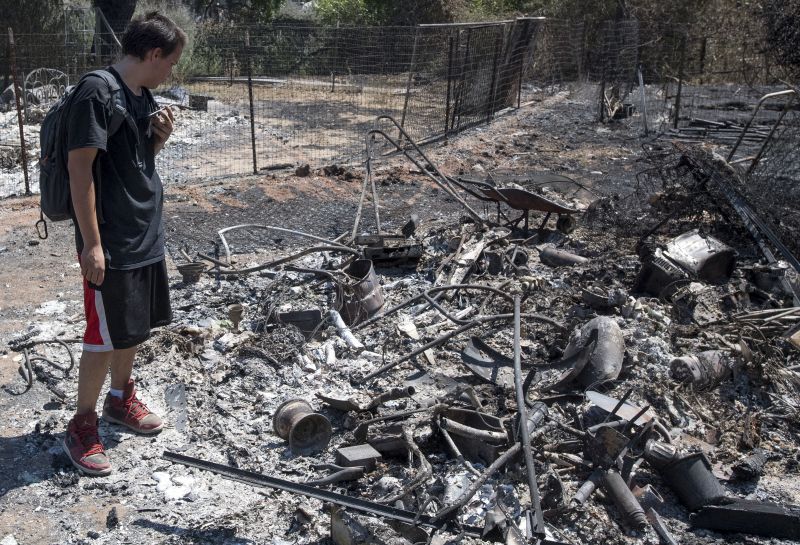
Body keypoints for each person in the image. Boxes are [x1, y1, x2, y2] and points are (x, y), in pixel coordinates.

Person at [62, 12, 187, 476]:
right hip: (110, 241)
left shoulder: (141, 94)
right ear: (153, 54)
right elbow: (80, 170)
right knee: (101, 335)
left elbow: (129, 165)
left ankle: (120, 400)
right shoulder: (97, 91)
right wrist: (92, 244)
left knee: (131, 327)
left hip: (143, 235)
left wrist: (157, 141)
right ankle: (82, 424)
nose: (171, 71)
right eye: (170, 62)